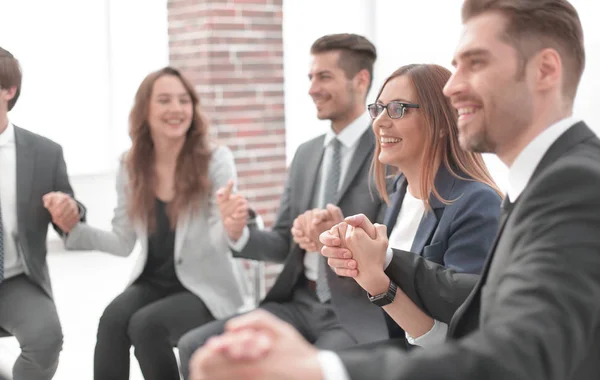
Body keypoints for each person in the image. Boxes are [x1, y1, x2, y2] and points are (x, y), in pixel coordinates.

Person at [187, 0, 600, 379]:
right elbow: (475, 303)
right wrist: (381, 259)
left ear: (546, 70)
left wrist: (322, 371)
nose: (453, 88)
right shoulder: (535, 183)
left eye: (475, 63)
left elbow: (517, 353)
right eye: (455, 66)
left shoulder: (574, 184)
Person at [177, 33, 388, 378]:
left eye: (324, 77)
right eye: (310, 77)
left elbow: (396, 242)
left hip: (355, 309)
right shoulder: (306, 154)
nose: (311, 89)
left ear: (360, 80)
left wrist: (338, 235)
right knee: (195, 347)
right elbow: (281, 242)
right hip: (298, 302)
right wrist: (239, 234)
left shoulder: (387, 151)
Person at [57, 66, 245, 380]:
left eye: (184, 100)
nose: (176, 109)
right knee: (112, 320)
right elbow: (123, 240)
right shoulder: (131, 165)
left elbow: (221, 236)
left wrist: (233, 224)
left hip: (206, 288)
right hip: (154, 282)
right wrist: (71, 230)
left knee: (146, 325)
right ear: (145, 109)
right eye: (164, 100)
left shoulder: (216, 160)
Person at [324, 63, 502, 348]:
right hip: (387, 342)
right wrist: (351, 257)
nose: (379, 122)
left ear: (442, 123)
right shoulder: (399, 191)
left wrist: (379, 277)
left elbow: (467, 328)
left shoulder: (478, 202)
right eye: (378, 108)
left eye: (398, 109)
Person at [0, 46, 85, 380]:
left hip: (15, 279)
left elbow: (72, 224)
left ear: (9, 90)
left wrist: (69, 213)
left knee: (46, 339)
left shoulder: (45, 153)